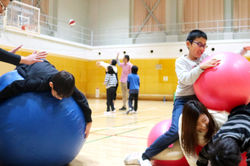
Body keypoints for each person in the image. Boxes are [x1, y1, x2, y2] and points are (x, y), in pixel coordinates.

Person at [124, 29, 220, 166]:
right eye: (199, 44)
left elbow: (222, 64)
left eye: (205, 45)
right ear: (188, 44)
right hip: (183, 99)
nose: (202, 48)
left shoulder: (205, 57)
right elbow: (186, 79)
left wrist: (241, 52)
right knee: (175, 131)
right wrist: (201, 68)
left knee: (212, 125)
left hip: (199, 99)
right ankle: (145, 156)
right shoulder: (181, 62)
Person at [0, 60, 92, 138]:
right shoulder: (39, 83)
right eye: (58, 95)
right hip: (30, 66)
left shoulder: (66, 84)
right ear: (51, 85)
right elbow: (16, 85)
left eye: (64, 97)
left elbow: (81, 98)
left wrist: (89, 120)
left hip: (46, 64)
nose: (60, 98)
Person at [179, 100, 228, 166]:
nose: (203, 126)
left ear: (207, 115)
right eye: (197, 124)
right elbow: (189, 155)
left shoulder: (220, 120)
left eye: (204, 120)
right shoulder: (185, 128)